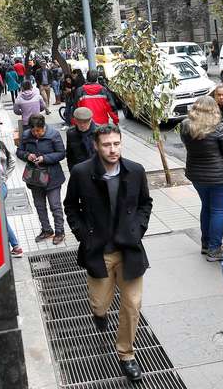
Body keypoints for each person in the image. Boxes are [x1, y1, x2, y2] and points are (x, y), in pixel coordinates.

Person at [63, 125, 152, 382]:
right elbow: (71, 206)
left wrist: (138, 228)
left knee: (132, 305)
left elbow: (145, 203)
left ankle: (126, 354)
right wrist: (84, 235)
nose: (112, 149)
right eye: (106, 145)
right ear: (96, 146)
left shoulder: (135, 170)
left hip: (129, 250)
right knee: (100, 302)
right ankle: (99, 315)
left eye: (116, 143)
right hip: (99, 251)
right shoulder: (81, 173)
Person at [180, 96, 223, 261]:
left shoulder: (185, 127)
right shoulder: (219, 129)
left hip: (197, 176)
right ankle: (214, 249)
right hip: (219, 178)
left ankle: (205, 244)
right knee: (218, 211)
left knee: (206, 207)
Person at [16, 114, 67, 244]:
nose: (36, 133)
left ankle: (60, 231)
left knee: (55, 205)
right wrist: (27, 156)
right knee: (39, 205)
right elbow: (19, 151)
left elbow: (61, 153)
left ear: (43, 126)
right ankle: (46, 229)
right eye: (33, 131)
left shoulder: (54, 135)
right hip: (34, 178)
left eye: (39, 131)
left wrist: (45, 158)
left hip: (52, 177)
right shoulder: (27, 135)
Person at [0, 135, 23, 257]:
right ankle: (14, 246)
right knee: (0, 217)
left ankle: (16, 246)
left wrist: (3, 177)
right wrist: (5, 177)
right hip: (2, 186)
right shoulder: (0, 144)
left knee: (0, 218)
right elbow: (12, 161)